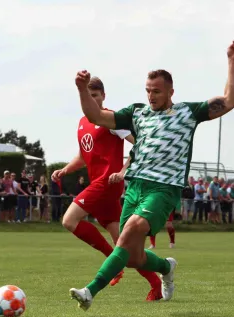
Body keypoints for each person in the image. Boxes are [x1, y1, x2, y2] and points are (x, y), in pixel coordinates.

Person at [69, 39, 234, 311]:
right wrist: (81, 89)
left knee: (127, 234)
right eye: (148, 90)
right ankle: (165, 267)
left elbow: (231, 100)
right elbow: (96, 116)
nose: (151, 96)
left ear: (171, 91)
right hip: (135, 188)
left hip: (163, 189)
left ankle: (89, 292)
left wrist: (232, 62)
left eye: (157, 91)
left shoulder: (188, 112)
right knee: (132, 257)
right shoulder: (136, 113)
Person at [52, 76, 162, 301]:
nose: (92, 99)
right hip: (99, 185)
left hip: (107, 184)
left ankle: (112, 260)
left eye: (95, 96)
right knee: (128, 249)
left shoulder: (112, 120)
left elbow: (140, 144)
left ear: (103, 96)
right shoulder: (83, 123)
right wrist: (65, 170)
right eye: (88, 96)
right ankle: (156, 284)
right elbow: (83, 156)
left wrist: (123, 171)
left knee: (68, 221)